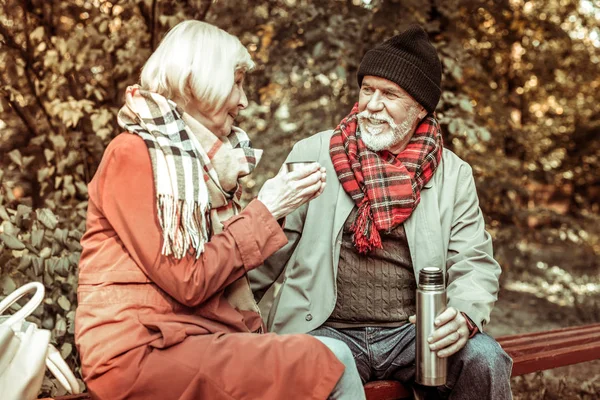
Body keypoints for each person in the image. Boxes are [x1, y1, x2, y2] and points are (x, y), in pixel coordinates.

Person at [75, 20, 365, 400]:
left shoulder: (198, 166)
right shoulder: (133, 154)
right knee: (333, 360)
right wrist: (267, 207)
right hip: (138, 351)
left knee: (326, 356)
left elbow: (220, 267)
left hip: (189, 337)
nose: (244, 101)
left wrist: (273, 211)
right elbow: (189, 281)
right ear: (200, 80)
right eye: (238, 81)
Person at [250, 25, 513, 399]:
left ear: (420, 106)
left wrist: (466, 313)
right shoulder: (314, 153)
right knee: (316, 365)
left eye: (389, 94)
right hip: (324, 328)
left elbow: (474, 261)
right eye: (367, 89)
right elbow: (267, 248)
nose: (372, 105)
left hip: (413, 334)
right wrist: (222, 316)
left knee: (485, 358)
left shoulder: (453, 174)